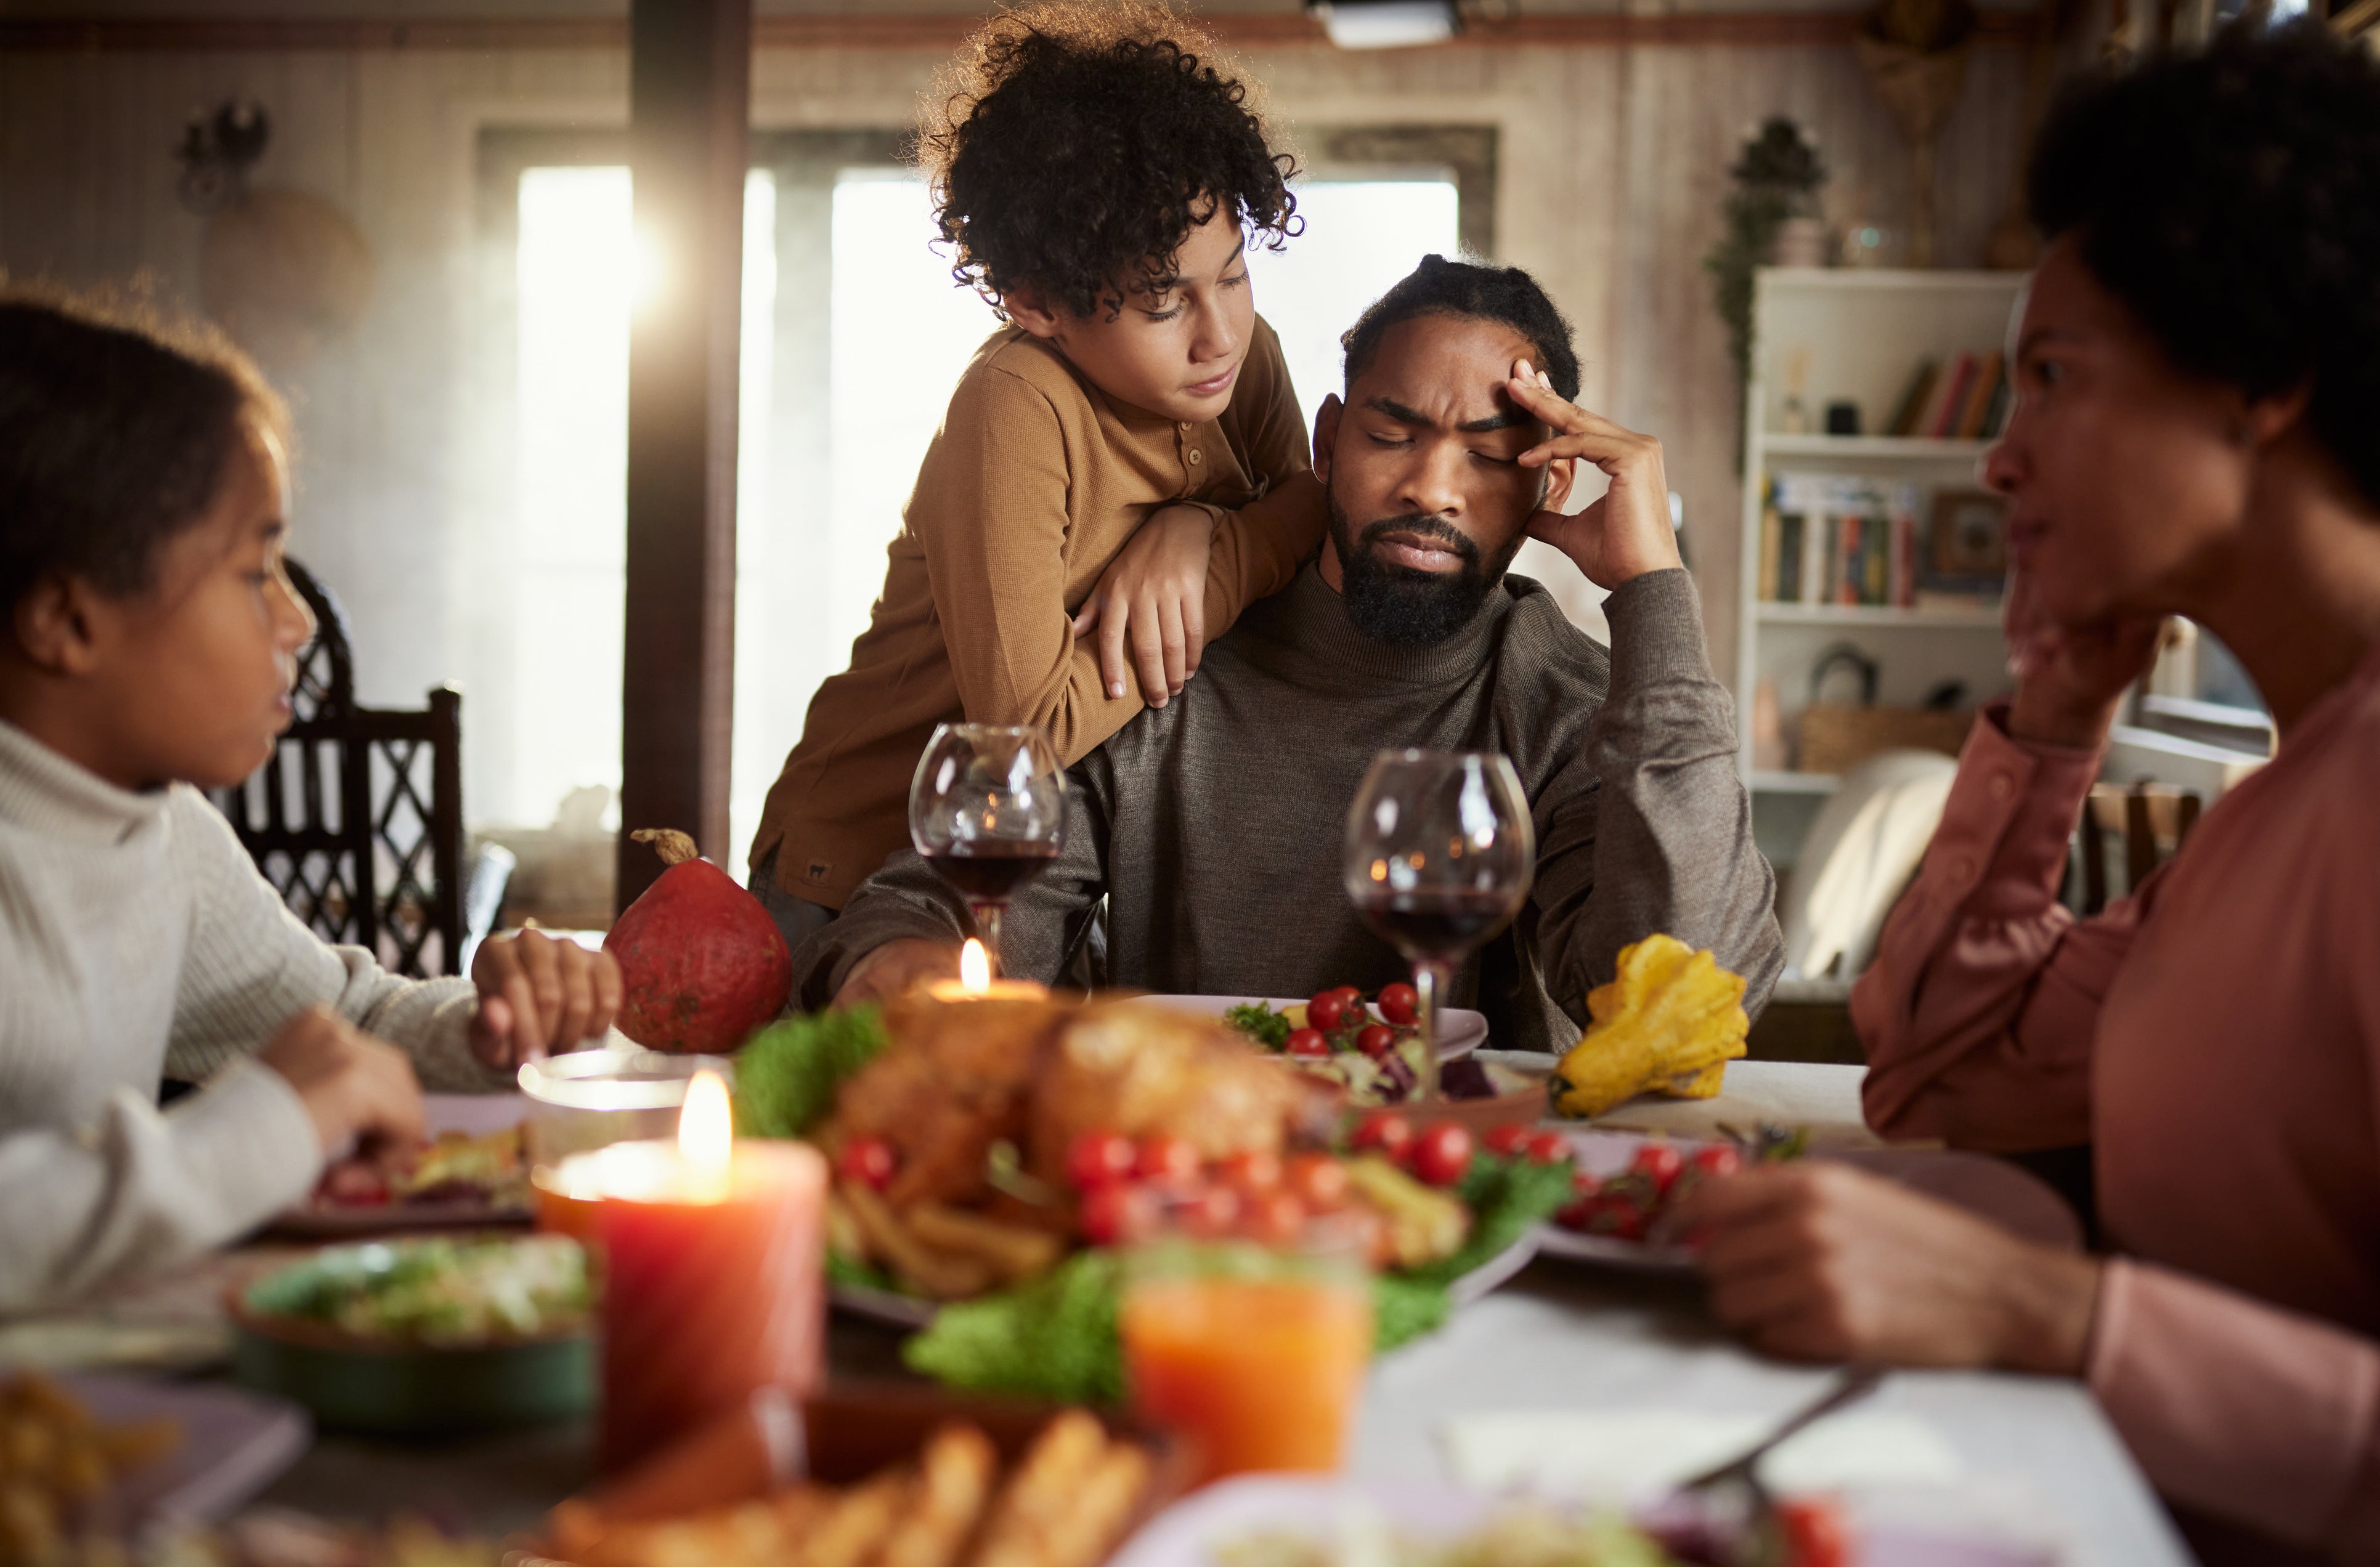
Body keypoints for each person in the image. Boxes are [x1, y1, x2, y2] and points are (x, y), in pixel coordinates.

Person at [1680, 25, 2380, 1567]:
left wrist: (2045, 1316)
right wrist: (2054, 723)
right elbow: (1940, 1068)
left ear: (2264, 382)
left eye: (2052, 378)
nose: (1997, 462)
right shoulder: (2283, 797)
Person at [794, 256, 1782, 1048]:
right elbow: (956, 895)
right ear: (1328, 443)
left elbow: (1692, 997)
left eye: (1486, 456)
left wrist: (1654, 594)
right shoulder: (1172, 653)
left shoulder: (1568, 702)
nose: (1432, 488)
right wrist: (902, 955)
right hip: (1177, 1167)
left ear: (1548, 486)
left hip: (1461, 1179)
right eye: (1393, 434)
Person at [0, 291, 619, 1311]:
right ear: (68, 619)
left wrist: (496, 1024)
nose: (293, 622)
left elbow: (345, 1019)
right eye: (254, 571)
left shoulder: (160, 832)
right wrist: (263, 1123)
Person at [745, 2, 1325, 952]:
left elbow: (1307, 529)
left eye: (1232, 273)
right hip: (859, 877)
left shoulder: (1241, 357)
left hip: (1033, 882)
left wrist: (1194, 535)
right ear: (1037, 302)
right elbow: (1028, 733)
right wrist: (1238, 541)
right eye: (1161, 301)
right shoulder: (1014, 402)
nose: (1218, 331)